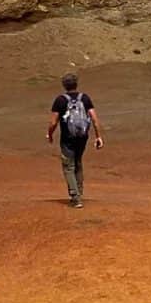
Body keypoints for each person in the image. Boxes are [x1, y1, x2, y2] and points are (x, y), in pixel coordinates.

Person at [46, 72, 101, 208]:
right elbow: (94, 118)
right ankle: (79, 192)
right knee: (78, 162)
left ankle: (75, 197)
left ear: (64, 85)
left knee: (68, 167)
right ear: (76, 84)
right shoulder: (85, 98)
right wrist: (98, 136)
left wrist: (50, 134)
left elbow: (53, 122)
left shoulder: (60, 100)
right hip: (82, 137)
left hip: (67, 138)